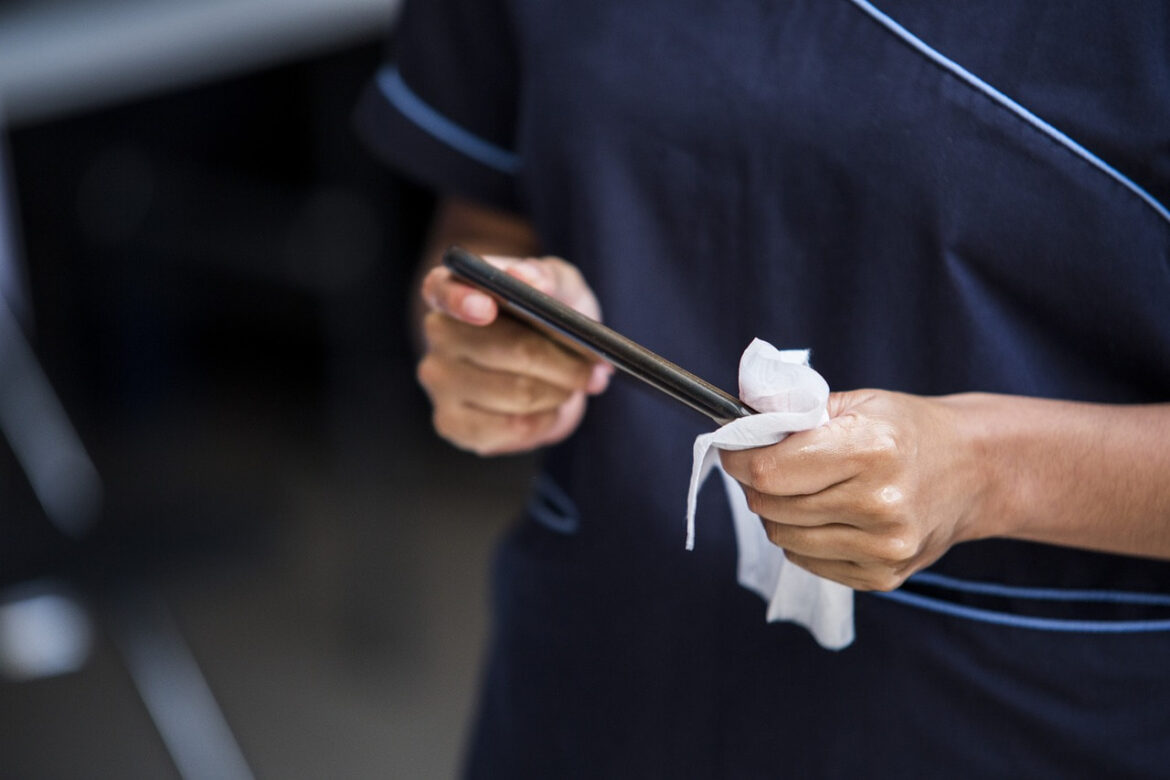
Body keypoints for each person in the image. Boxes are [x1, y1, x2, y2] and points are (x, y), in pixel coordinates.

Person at [354, 1, 1170, 776]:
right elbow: (483, 218)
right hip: (603, 673)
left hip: (1009, 715)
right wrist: (492, 342)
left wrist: (994, 471)